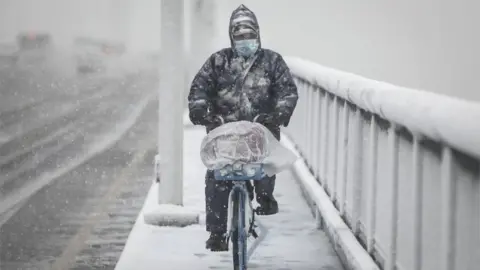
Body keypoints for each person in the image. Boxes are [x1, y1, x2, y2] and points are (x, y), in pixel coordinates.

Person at [188, 4, 298, 251]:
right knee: (217, 177)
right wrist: (202, 112)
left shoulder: (272, 61)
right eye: (239, 36)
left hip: (260, 129)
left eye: (249, 35)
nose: (245, 41)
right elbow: (199, 89)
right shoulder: (217, 62)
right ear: (231, 37)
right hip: (223, 131)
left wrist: (277, 115)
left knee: (264, 168)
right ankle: (216, 233)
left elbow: (287, 91)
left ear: (257, 34)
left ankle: (265, 197)